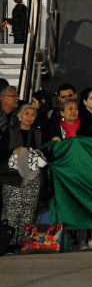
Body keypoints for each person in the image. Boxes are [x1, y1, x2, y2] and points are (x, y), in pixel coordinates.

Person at [2, 104, 46, 252]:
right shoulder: (9, 132)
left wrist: (40, 152)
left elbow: (46, 154)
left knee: (28, 210)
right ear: (20, 115)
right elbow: (2, 153)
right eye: (26, 114)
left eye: (33, 114)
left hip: (33, 176)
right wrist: (14, 151)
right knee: (12, 210)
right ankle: (7, 243)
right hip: (13, 176)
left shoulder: (38, 133)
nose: (30, 117)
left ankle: (23, 243)